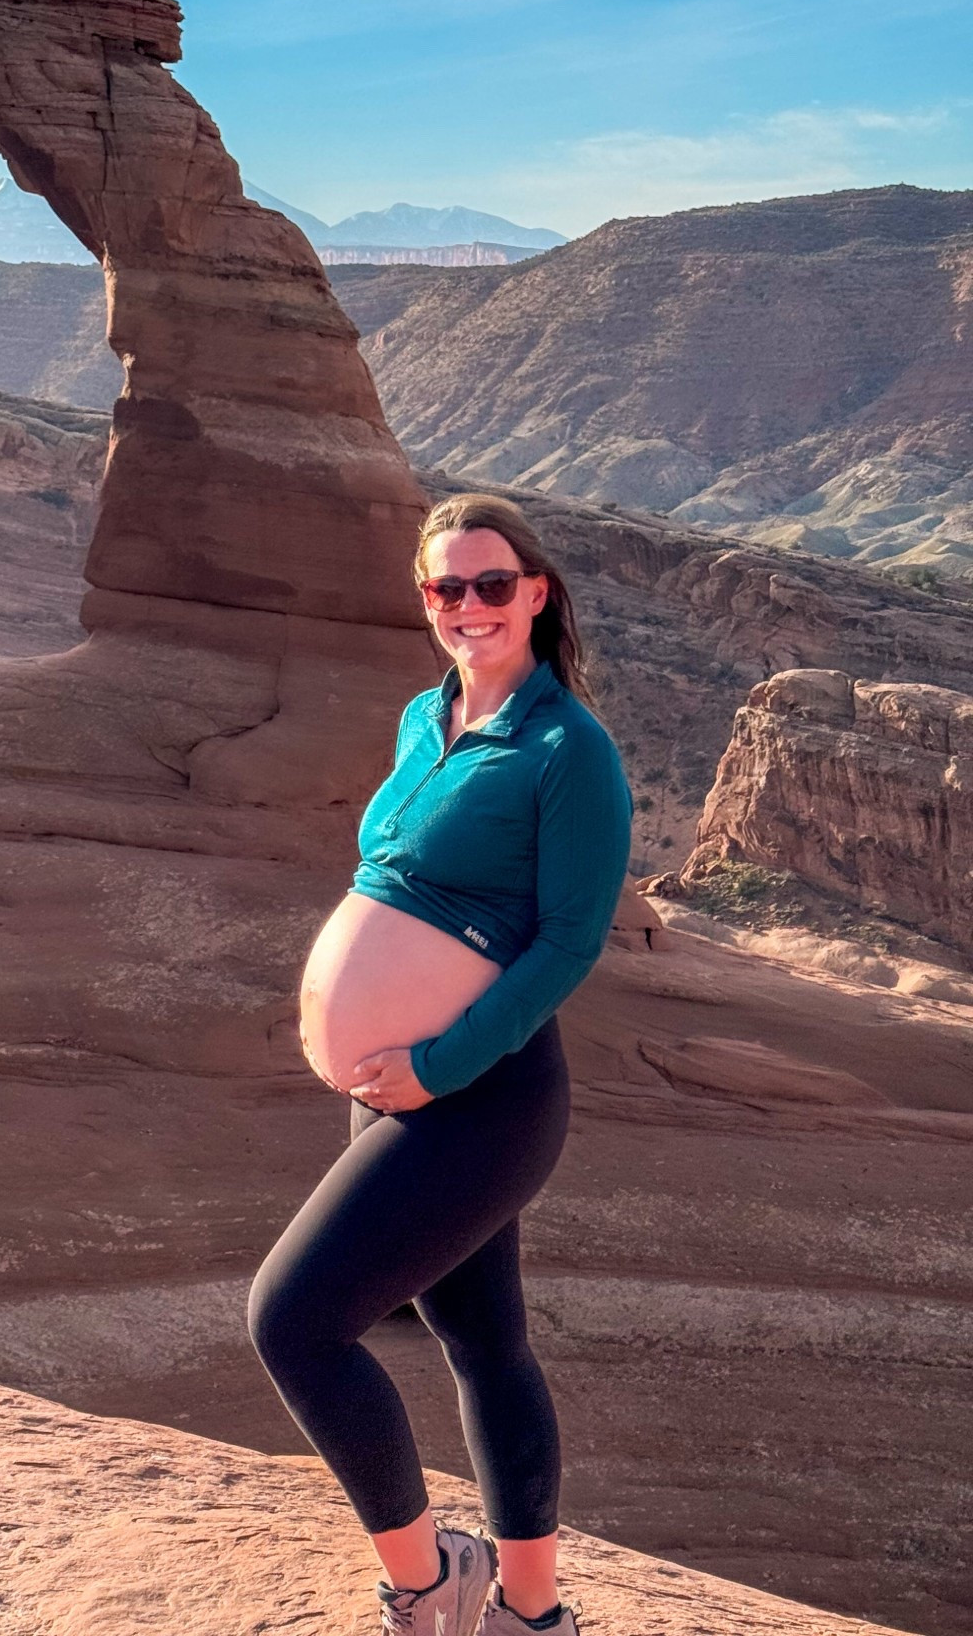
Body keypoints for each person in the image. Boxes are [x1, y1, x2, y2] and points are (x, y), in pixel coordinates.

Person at [248, 492, 632, 1636]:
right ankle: (530, 1612)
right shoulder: (429, 716)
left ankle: (428, 1582)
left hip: (484, 1093)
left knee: (294, 1319)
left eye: (492, 584)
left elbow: (568, 940)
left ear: (537, 592)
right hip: (397, 1089)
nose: (468, 606)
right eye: (444, 587)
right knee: (484, 1341)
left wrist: (436, 1058)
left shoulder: (569, 747)